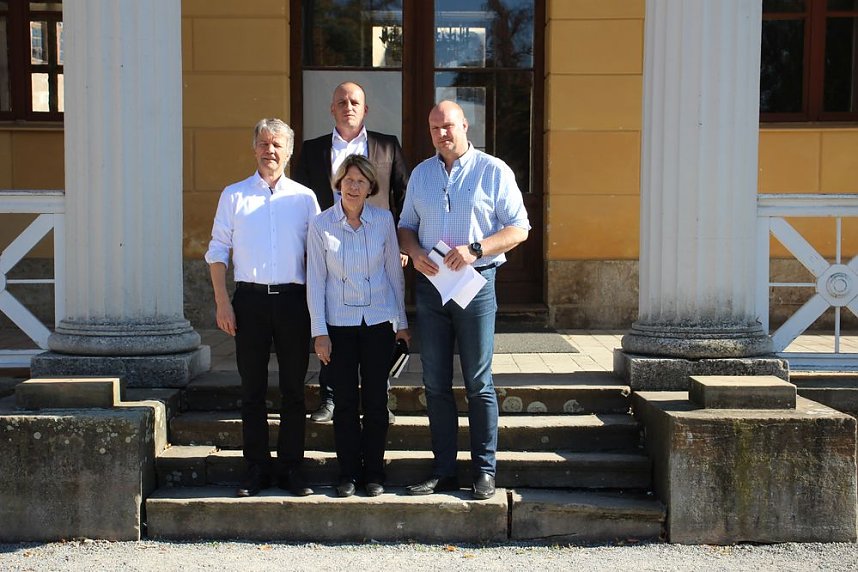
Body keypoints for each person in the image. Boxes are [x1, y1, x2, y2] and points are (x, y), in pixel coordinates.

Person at [397, 101, 530, 500]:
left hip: (476, 283)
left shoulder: (493, 170)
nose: (442, 134)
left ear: (465, 126)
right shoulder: (421, 174)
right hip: (433, 287)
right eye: (435, 127)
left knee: (478, 381)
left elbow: (520, 227)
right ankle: (443, 470)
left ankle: (484, 471)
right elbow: (405, 227)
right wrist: (415, 253)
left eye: (449, 126)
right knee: (435, 382)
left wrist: (476, 248)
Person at [205, 118, 320, 498]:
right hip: (249, 301)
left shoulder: (305, 198)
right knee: (251, 390)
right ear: (254, 148)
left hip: (293, 302)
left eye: (277, 145)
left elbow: (318, 257)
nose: (270, 151)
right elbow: (218, 250)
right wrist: (223, 302)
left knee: (293, 390)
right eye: (264, 144)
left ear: (288, 152)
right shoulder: (234, 195)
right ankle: (255, 468)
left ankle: (291, 469)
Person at [293, 81, 409, 423]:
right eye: (341, 101)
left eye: (355, 101)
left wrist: (398, 244)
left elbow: (403, 197)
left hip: (375, 246)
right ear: (331, 109)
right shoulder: (312, 150)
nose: (348, 106)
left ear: (365, 109)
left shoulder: (387, 147)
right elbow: (302, 203)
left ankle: (379, 398)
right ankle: (329, 397)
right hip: (329, 247)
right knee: (331, 324)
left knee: (375, 335)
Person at [306, 154, 410, 497]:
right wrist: (319, 332)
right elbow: (316, 282)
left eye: (361, 182)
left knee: (377, 401)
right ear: (339, 184)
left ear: (370, 188)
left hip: (379, 322)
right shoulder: (321, 225)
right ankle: (348, 473)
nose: (353, 187)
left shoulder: (383, 221)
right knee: (346, 403)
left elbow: (395, 274)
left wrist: (402, 323)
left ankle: (375, 473)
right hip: (339, 325)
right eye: (348, 180)